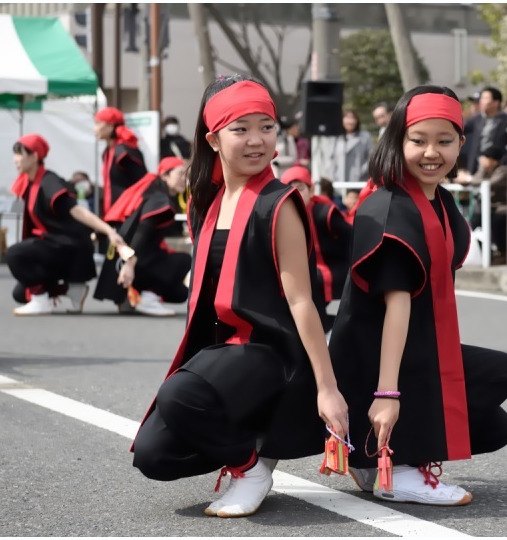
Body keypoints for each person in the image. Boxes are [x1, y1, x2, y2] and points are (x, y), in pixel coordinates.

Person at [130, 75, 348, 519]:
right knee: (154, 455)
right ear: (213, 139)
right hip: (225, 353)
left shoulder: (279, 201)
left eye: (266, 127)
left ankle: (248, 469)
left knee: (179, 394)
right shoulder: (206, 201)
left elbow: (302, 301)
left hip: (273, 354)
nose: (257, 141)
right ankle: (255, 441)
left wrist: (328, 389)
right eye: (241, 129)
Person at [328, 84, 507, 506]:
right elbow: (397, 308)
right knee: (490, 380)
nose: (431, 152)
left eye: (444, 141)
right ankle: (396, 466)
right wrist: (386, 395)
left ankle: (370, 456)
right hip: (374, 360)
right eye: (418, 141)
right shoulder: (390, 207)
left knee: (498, 396)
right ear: (398, 141)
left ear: (461, 144)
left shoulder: (439, 201)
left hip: (414, 346)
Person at [7, 134, 126, 315]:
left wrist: (109, 231)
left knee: (15, 254)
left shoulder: (49, 181)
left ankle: (42, 301)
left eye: (19, 154)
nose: (15, 159)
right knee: (20, 293)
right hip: (54, 246)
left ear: (34, 156)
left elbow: (77, 211)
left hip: (69, 248)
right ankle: (71, 290)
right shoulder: (30, 183)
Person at [93, 157, 192, 316]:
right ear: (164, 175)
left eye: (186, 176)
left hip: (122, 261)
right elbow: (142, 232)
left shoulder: (152, 191)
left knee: (180, 293)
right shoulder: (159, 198)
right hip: (130, 263)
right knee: (185, 260)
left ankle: (136, 295)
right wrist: (129, 264)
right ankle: (148, 298)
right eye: (180, 174)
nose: (184, 179)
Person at [280, 165, 351, 330]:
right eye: (290, 190)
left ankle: (322, 329)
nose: (296, 194)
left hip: (334, 269)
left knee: (308, 279)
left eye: (300, 188)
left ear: (311, 192)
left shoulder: (324, 213)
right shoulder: (283, 216)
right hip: (305, 270)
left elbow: (353, 236)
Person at [94, 107, 148, 217]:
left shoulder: (124, 152)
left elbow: (143, 183)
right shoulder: (107, 152)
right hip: (114, 213)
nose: (95, 128)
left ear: (111, 125)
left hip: (128, 213)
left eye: (98, 123)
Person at [462, 86, 507, 175]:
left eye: (485, 98)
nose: (481, 101)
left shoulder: (506, 120)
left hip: (496, 167)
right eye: (481, 98)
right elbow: (461, 128)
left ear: (496, 102)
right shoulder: (477, 118)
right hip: (476, 165)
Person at [328, 110, 374, 184]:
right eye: (347, 118)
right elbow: (331, 159)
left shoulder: (365, 137)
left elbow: (371, 158)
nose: (350, 121)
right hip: (338, 182)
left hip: (359, 181)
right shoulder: (336, 138)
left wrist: (361, 172)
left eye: (353, 118)